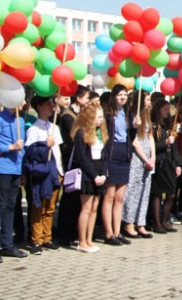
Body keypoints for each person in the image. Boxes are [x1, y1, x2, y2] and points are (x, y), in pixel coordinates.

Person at [0, 103, 28, 263]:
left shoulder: (20, 121)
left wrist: (22, 168)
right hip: (1, 168)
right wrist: (10, 146)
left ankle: (7, 244)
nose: (23, 103)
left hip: (15, 168)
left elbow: (22, 147)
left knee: (11, 207)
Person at [23, 96, 63, 255]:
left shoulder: (54, 127)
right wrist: (44, 146)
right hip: (41, 172)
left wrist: (61, 170)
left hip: (55, 170)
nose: (51, 107)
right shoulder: (33, 129)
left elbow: (58, 151)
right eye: (47, 104)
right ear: (39, 107)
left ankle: (47, 237)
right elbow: (30, 152)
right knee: (38, 206)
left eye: (52, 104)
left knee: (50, 207)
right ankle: (36, 239)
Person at [71, 103, 107, 253]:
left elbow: (105, 155)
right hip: (88, 173)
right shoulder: (81, 133)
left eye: (101, 117)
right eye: (98, 117)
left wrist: (104, 173)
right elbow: (82, 157)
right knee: (86, 208)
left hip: (100, 171)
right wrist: (94, 176)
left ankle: (89, 239)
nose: (101, 120)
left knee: (94, 208)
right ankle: (82, 241)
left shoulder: (101, 133)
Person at [56, 85, 90, 247]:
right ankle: (64, 233)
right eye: (87, 97)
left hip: (80, 159)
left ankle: (74, 230)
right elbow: (76, 133)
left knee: (77, 199)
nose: (89, 101)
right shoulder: (67, 116)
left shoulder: (79, 114)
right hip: (70, 160)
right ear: (79, 98)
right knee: (69, 198)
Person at [102, 85, 132, 246]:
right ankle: (108, 233)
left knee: (120, 197)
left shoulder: (127, 114)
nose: (123, 97)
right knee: (110, 196)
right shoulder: (108, 114)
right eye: (120, 94)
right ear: (113, 96)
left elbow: (131, 135)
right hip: (112, 153)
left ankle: (117, 231)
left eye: (125, 94)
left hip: (124, 154)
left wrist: (136, 125)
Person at [123, 90, 155, 239]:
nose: (150, 102)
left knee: (145, 189)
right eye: (147, 99)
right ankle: (128, 222)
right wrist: (144, 158)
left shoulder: (147, 116)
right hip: (137, 157)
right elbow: (134, 141)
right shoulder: (133, 115)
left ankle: (140, 222)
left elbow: (150, 136)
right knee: (133, 189)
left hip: (148, 157)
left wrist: (152, 156)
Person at [150, 99, 181, 233]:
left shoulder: (169, 125)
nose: (167, 112)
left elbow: (174, 147)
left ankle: (165, 219)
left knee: (171, 193)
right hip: (159, 161)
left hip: (169, 161)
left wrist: (178, 163)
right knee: (157, 193)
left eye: (168, 109)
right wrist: (165, 142)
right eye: (165, 109)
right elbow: (152, 147)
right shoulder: (153, 126)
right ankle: (157, 222)